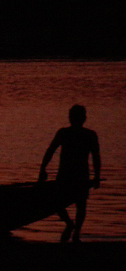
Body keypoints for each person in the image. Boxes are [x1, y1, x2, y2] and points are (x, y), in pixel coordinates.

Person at [38, 104, 101, 243]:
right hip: (66, 174)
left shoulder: (89, 135)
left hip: (79, 175)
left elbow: (96, 157)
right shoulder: (64, 133)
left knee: (80, 204)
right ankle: (70, 224)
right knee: (58, 203)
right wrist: (43, 168)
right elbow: (51, 150)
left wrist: (97, 176)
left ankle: (76, 232)